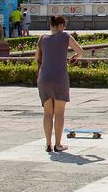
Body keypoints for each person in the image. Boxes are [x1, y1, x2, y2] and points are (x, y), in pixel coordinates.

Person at [35, 15, 84, 153]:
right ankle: (58, 144)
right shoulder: (66, 36)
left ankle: (48, 144)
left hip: (44, 78)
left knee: (47, 113)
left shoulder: (42, 38)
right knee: (59, 113)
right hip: (60, 78)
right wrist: (75, 57)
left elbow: (36, 58)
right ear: (61, 25)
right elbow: (80, 52)